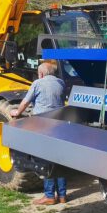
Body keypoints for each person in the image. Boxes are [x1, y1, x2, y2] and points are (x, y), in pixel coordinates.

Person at [10, 61, 67, 205]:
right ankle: (62, 196)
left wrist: (17, 112)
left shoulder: (37, 83)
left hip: (43, 125)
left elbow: (25, 102)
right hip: (60, 124)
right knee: (60, 159)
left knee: (45, 160)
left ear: (41, 73)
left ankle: (49, 196)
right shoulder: (61, 83)